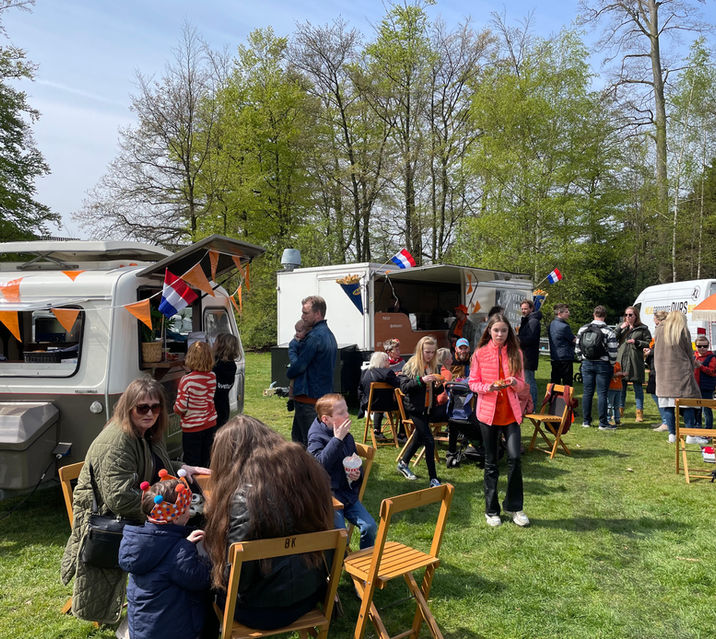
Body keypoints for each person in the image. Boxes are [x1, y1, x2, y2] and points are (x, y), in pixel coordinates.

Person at [61, 377, 210, 625]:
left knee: (196, 519)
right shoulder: (117, 441)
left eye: (155, 407)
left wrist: (183, 468)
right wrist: (166, 513)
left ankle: (175, 596)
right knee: (189, 530)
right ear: (128, 408)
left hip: (134, 510)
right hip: (109, 518)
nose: (150, 413)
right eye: (142, 408)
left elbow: (155, 466)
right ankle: (169, 599)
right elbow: (118, 498)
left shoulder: (146, 433)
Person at [203, 416, 335, 630]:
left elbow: (236, 580)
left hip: (258, 612)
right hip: (308, 597)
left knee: (195, 562)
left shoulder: (244, 499)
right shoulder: (306, 470)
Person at [118, 471, 211, 639]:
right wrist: (196, 552)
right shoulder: (178, 551)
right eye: (187, 510)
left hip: (143, 629)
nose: (189, 513)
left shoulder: (141, 542)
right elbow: (202, 579)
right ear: (175, 518)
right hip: (173, 632)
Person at [468, 313, 530, 527]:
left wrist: (514, 383)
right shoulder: (480, 354)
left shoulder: (516, 353)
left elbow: (522, 384)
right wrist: (489, 387)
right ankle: (491, 510)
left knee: (515, 458)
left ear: (508, 332)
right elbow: (473, 383)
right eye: (496, 330)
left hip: (511, 414)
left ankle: (514, 507)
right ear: (489, 331)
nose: (500, 334)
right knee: (491, 462)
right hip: (488, 415)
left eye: (504, 330)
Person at [307, 393, 377, 549]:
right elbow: (318, 467)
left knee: (370, 527)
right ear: (326, 419)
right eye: (341, 413)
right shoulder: (316, 437)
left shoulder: (346, 435)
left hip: (347, 494)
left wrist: (357, 474)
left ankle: (365, 559)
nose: (347, 415)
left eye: (346, 410)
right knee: (340, 537)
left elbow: (353, 461)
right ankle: (339, 560)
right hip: (328, 498)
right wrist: (337, 439)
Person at [285, 295, 337, 446]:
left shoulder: (314, 337)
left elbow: (299, 366)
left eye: (306, 313)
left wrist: (290, 368)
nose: (303, 316)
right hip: (319, 398)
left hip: (309, 400)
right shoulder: (329, 334)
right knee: (308, 442)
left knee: (307, 444)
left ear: (318, 314)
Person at [396, 336, 445, 487]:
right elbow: (404, 387)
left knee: (418, 437)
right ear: (420, 350)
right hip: (414, 409)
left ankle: (403, 463)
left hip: (428, 408)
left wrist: (438, 386)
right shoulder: (410, 366)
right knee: (429, 441)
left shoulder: (434, 366)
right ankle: (433, 478)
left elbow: (437, 391)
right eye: (427, 352)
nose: (430, 355)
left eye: (432, 352)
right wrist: (422, 380)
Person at [654, 311, 701, 443]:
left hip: (663, 373)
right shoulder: (682, 330)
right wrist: (692, 366)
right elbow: (689, 352)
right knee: (687, 405)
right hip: (681, 373)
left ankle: (672, 435)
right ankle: (690, 435)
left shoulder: (659, 330)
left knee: (668, 406)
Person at [175, 341, 218, 468]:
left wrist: (175, 408)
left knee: (192, 463)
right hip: (210, 424)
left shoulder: (186, 380)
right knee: (206, 460)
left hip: (192, 428)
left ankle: (194, 481)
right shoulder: (212, 376)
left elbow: (181, 407)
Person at [575, 306, 619, 431]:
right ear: (605, 316)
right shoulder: (608, 331)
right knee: (602, 394)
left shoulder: (583, 329)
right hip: (603, 364)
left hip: (587, 363)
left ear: (594, 314)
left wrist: (582, 359)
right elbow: (613, 351)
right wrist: (611, 363)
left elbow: (577, 347)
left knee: (587, 393)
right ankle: (602, 423)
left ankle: (586, 421)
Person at [615, 306, 651, 422]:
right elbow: (612, 338)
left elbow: (648, 343)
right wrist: (620, 328)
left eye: (630, 315)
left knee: (638, 388)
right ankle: (620, 411)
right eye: (626, 315)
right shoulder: (621, 327)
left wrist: (637, 342)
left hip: (635, 361)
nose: (628, 317)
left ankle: (639, 413)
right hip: (622, 361)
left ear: (636, 316)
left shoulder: (643, 329)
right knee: (621, 388)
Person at [358, 351, 400, 443]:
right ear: (382, 361)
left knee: (380, 402)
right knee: (404, 405)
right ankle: (402, 434)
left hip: (368, 404)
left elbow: (360, 389)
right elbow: (399, 384)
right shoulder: (387, 372)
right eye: (387, 360)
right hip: (386, 405)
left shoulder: (365, 372)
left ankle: (377, 430)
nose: (389, 362)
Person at [645, 311, 669, 431]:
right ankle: (665, 420)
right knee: (656, 394)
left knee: (659, 395)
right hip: (655, 367)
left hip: (660, 369)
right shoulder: (663, 331)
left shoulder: (664, 331)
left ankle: (666, 422)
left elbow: (663, 350)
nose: (655, 325)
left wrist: (650, 352)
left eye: (656, 322)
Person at [518, 299, 542, 410]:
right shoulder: (527, 320)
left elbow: (531, 339)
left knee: (529, 382)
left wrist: (517, 339)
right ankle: (527, 406)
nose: (523, 311)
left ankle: (533, 407)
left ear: (531, 309)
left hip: (528, 356)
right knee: (526, 381)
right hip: (525, 355)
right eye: (522, 309)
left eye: (525, 309)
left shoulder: (533, 321)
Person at [213, 333, 240, 428]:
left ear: (221, 346)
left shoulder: (216, 365)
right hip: (224, 408)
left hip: (212, 409)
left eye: (215, 342)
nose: (213, 343)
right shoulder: (232, 365)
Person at [548, 303, 576, 386]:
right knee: (567, 382)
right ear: (559, 313)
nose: (568, 313)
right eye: (566, 312)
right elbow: (573, 340)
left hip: (555, 356)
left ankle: (553, 394)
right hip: (565, 357)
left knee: (555, 381)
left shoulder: (552, 324)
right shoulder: (564, 326)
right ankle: (565, 395)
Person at [287, 319, 311, 411]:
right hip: (296, 366)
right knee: (292, 383)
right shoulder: (294, 343)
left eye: (299, 331)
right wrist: (297, 363)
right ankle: (291, 399)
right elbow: (292, 353)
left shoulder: (309, 341)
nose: (297, 333)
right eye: (296, 331)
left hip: (305, 367)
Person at [694, 335, 716, 429]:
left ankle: (708, 430)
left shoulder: (712, 358)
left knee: (706, 410)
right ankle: (697, 429)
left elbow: (712, 372)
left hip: (706, 388)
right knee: (696, 409)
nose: (702, 348)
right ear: (695, 346)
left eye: (705, 346)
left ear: (708, 346)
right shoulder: (693, 357)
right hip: (694, 387)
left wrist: (700, 366)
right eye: (699, 346)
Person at [607, 362, 624, 427]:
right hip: (610, 388)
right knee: (609, 406)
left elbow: (620, 375)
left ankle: (617, 420)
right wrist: (617, 374)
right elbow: (608, 375)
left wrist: (622, 374)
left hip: (618, 388)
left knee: (617, 406)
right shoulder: (608, 364)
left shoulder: (618, 364)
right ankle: (608, 419)